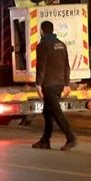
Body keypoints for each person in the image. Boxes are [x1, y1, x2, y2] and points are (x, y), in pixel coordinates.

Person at [32, 20, 76, 151]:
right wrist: (67, 84)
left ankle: (71, 137)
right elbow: (67, 66)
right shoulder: (61, 44)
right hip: (60, 83)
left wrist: (38, 84)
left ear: (42, 31)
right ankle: (45, 140)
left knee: (56, 113)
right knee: (47, 112)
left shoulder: (43, 45)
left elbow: (41, 67)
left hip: (49, 84)